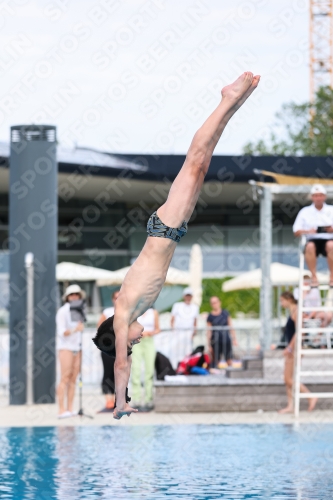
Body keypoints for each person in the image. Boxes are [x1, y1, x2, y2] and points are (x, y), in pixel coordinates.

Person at [93, 72, 260, 420]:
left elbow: (120, 363)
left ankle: (228, 99)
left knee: (196, 160)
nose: (136, 341)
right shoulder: (132, 312)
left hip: (164, 228)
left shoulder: (122, 314)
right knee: (203, 163)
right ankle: (233, 104)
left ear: (117, 335)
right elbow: (124, 357)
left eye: (130, 342)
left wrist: (119, 401)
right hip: (173, 230)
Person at [278, 291, 317, 414]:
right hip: (292, 347)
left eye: (282, 301)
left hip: (295, 348)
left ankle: (310, 396)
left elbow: (300, 331)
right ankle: (291, 405)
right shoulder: (293, 311)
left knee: (288, 379)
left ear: (289, 299)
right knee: (287, 378)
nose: (281, 303)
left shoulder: (296, 311)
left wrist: (290, 347)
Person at [293, 184, 333, 287]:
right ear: (312, 197)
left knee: (331, 245)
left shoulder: (331, 210)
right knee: (310, 246)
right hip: (312, 240)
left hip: (329, 239)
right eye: (315, 195)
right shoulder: (304, 211)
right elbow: (296, 231)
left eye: (320, 195)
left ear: (324, 196)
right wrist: (308, 231)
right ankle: (314, 276)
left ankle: (332, 276)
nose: (318, 198)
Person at [56, 284, 85, 419]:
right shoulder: (62, 311)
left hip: (77, 348)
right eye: (72, 295)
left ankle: (70, 408)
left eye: (76, 295)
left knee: (73, 379)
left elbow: (80, 329)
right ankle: (61, 409)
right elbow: (62, 332)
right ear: (67, 297)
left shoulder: (79, 311)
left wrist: (78, 329)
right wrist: (75, 330)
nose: (74, 297)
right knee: (65, 378)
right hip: (65, 348)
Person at [131, 308, 160, 411]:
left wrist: (150, 333)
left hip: (149, 341)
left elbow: (158, 329)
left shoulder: (153, 312)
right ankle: (136, 399)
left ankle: (149, 399)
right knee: (136, 370)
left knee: (149, 371)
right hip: (137, 341)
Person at [96, 290, 120, 412]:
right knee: (108, 372)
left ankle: (117, 399)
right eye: (116, 297)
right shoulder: (107, 312)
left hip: (120, 348)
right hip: (108, 347)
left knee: (118, 373)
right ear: (112, 299)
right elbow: (99, 327)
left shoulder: (126, 312)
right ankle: (108, 400)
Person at [170, 287, 199, 365]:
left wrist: (194, 332)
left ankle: (186, 366)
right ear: (184, 296)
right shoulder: (177, 305)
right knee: (177, 349)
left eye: (189, 296)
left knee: (188, 350)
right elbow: (172, 319)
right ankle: (175, 365)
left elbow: (195, 321)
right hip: (178, 332)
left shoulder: (195, 307)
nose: (188, 297)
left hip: (189, 333)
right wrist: (173, 330)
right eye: (187, 295)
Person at [206, 296, 237, 367]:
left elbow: (230, 326)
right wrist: (209, 344)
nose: (215, 304)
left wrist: (234, 339)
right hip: (215, 341)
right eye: (213, 303)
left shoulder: (225, 313)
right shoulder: (210, 316)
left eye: (215, 302)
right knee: (215, 361)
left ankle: (231, 375)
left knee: (229, 359)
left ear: (219, 302)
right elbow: (209, 331)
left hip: (226, 339)